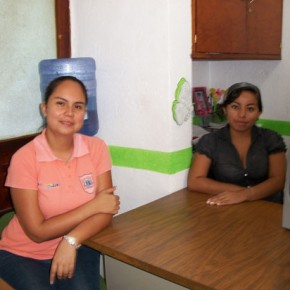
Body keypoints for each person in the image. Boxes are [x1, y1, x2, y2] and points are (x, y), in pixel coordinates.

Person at [0, 76, 120, 289]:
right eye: (60, 103)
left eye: (78, 106)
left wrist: (71, 240)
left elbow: (106, 211)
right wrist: (93, 206)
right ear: (44, 108)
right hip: (24, 253)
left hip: (80, 244)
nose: (69, 112)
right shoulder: (25, 158)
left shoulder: (97, 148)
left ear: (84, 113)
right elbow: (37, 232)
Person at [188, 82, 286, 206]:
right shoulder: (210, 141)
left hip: (269, 208)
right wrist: (240, 193)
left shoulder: (271, 139)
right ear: (225, 109)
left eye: (250, 108)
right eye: (235, 107)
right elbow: (195, 181)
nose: (242, 115)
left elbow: (278, 180)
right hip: (229, 208)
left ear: (259, 112)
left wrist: (245, 195)